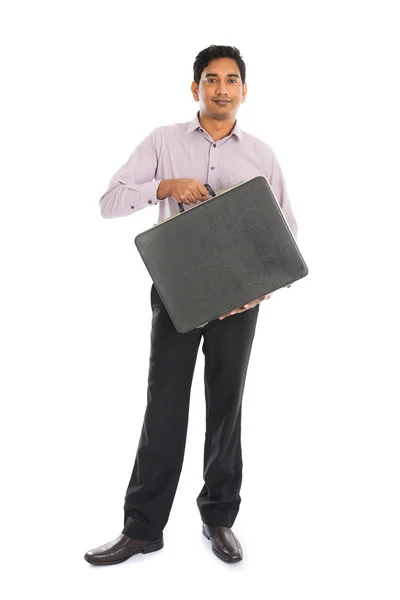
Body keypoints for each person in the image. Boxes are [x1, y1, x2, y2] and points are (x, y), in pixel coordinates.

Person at [84, 44, 298, 566]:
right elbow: (110, 202)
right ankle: (142, 528)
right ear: (195, 87)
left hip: (239, 302)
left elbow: (285, 233)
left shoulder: (262, 154)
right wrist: (164, 185)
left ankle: (219, 518)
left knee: (226, 408)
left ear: (244, 90)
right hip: (178, 293)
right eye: (210, 78)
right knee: (164, 408)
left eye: (231, 79)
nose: (221, 88)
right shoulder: (163, 141)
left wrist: (256, 288)